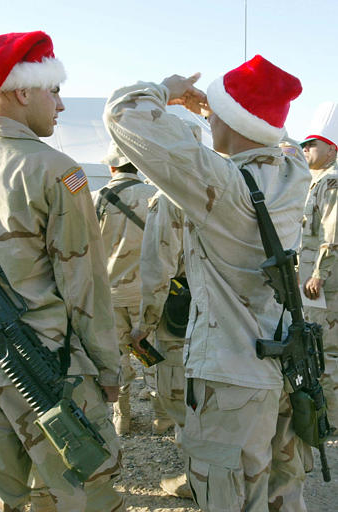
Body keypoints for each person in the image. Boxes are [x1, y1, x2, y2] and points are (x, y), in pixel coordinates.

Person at [0, 31, 124, 512]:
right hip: (51, 368)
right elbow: (85, 283)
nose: (61, 105)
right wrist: (109, 367)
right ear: (22, 90)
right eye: (53, 90)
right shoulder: (58, 169)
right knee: (82, 495)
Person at [104, 55, 312, 511]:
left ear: (234, 120)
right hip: (286, 367)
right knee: (282, 493)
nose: (210, 116)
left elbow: (124, 115)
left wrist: (166, 88)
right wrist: (223, 111)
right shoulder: (294, 173)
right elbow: (285, 140)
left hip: (231, 378)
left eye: (218, 111)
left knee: (230, 497)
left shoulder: (225, 185)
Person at [91, 143, 155, 435]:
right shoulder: (154, 196)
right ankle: (161, 416)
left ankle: (122, 418)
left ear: (112, 167)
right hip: (148, 294)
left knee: (118, 356)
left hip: (111, 293)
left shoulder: (98, 199)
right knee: (152, 356)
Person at [137, 189, 191, 498]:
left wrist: (145, 324)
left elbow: (159, 268)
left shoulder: (170, 196)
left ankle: (200, 480)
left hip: (179, 319)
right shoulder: (227, 181)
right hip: (228, 315)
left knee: (182, 398)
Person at [300, 101, 338, 432]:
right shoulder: (317, 181)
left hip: (324, 284)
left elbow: (332, 233)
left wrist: (318, 274)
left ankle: (332, 421)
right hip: (317, 282)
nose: (306, 149)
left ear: (331, 149)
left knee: (328, 353)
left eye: (312, 143)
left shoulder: (332, 182)